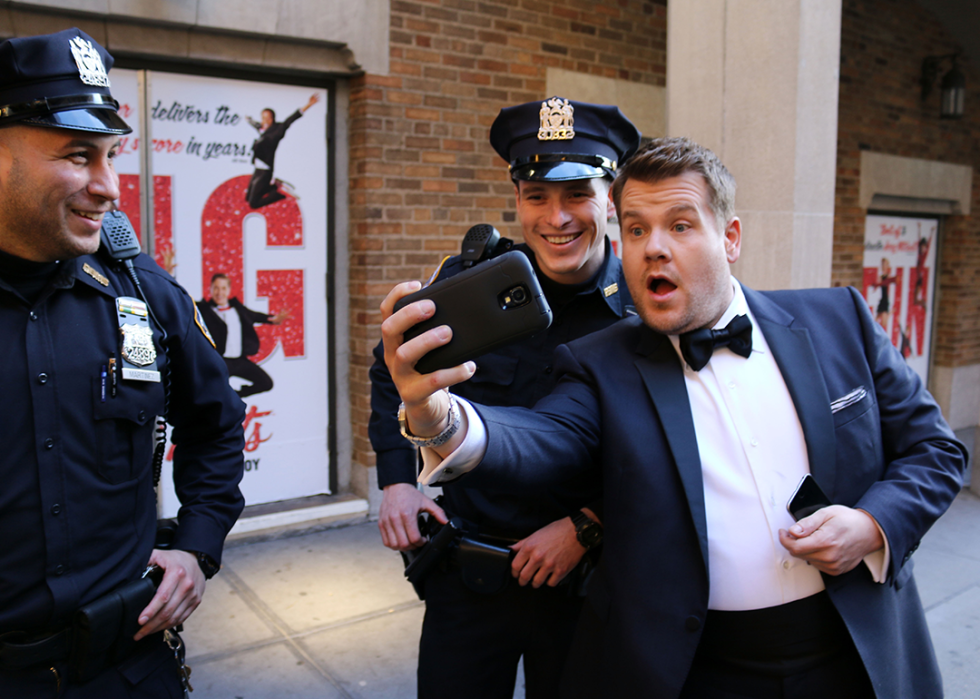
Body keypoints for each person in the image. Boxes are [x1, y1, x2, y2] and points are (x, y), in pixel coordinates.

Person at [381, 137, 967, 698]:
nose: (653, 247)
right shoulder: (601, 364)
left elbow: (937, 453)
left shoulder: (839, 320)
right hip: (698, 670)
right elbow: (539, 440)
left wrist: (873, 526)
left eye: (680, 225)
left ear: (730, 237)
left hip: (853, 649)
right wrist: (437, 415)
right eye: (635, 229)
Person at [0, 29, 246, 697]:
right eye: (80, 156)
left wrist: (198, 546)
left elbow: (217, 426)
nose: (109, 187)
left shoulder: (144, 293)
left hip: (129, 666)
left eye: (112, 156)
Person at [368, 97, 640, 698]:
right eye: (536, 195)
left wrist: (589, 526)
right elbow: (394, 370)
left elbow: (672, 446)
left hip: (584, 588)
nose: (556, 217)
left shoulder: (643, 309)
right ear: (517, 198)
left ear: (611, 196)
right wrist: (397, 480)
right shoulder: (470, 283)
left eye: (577, 194)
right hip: (469, 580)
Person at [197, 273, 289, 398]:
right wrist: (169, 275)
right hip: (220, 361)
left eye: (223, 288)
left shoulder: (238, 309)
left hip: (239, 360)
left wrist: (273, 319)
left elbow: (255, 316)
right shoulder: (204, 310)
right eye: (216, 288)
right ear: (211, 289)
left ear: (229, 290)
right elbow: (180, 301)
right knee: (207, 389)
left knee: (266, 383)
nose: (219, 292)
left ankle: (233, 396)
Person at [244, 93, 318, 209]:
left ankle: (279, 194)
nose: (266, 121)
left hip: (265, 171)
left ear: (273, 119)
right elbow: (256, 125)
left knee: (253, 204)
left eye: (268, 118)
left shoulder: (277, 130)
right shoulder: (262, 129)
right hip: (257, 169)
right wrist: (248, 119)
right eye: (263, 118)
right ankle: (274, 186)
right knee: (248, 198)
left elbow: (291, 119)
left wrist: (308, 105)